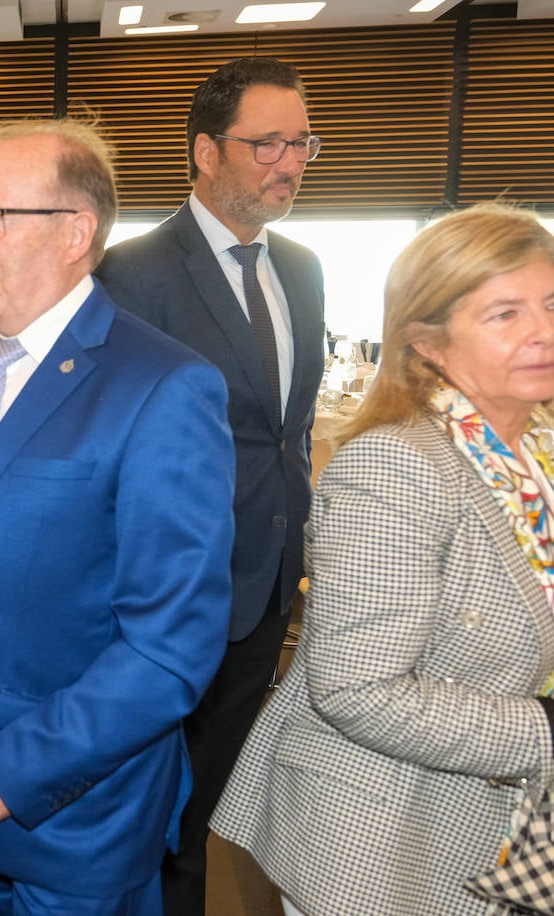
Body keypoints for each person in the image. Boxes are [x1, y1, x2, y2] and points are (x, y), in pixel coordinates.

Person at [0, 118, 235, 914]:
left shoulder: (164, 386)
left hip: (73, 815)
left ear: (76, 232)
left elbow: (170, 650)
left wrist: (10, 771)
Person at [212, 204, 554, 915]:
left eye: (551, 303)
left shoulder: (538, 446)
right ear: (427, 341)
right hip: (391, 839)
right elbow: (357, 692)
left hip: (509, 830)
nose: (543, 332)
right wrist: (546, 730)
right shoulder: (396, 466)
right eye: (505, 315)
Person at [95, 57, 327, 913]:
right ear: (205, 151)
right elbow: (113, 443)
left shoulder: (301, 268)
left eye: (301, 142)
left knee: (212, 806)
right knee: (152, 806)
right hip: (169, 596)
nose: (289, 162)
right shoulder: (135, 272)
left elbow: (286, 429)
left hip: (266, 590)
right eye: (265, 142)